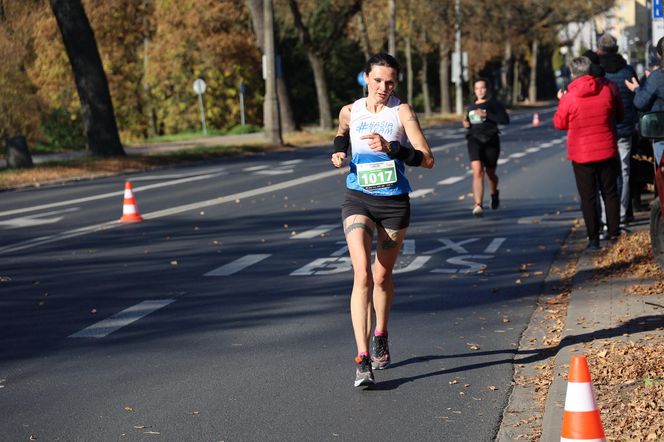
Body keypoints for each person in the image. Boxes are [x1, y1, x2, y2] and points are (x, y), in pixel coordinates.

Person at [330, 53, 434, 387]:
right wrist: (338, 150)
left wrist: (394, 149)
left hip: (393, 204)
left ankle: (381, 332)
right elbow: (342, 131)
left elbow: (427, 159)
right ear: (366, 78)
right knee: (361, 274)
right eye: (377, 80)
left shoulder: (401, 112)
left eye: (390, 82)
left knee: (381, 276)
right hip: (357, 198)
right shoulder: (351, 109)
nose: (383, 88)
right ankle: (362, 359)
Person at [554, 56, 622, 249]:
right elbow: (619, 114)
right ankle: (614, 233)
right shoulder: (607, 91)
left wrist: (561, 102)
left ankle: (593, 239)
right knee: (609, 192)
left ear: (573, 74)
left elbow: (560, 123)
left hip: (581, 154)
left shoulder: (569, 97)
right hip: (607, 148)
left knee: (588, 196)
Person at [597, 34, 639, 226]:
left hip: (604, 129)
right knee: (624, 171)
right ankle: (621, 214)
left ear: (600, 50)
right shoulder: (628, 70)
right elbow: (636, 99)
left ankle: (607, 217)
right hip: (625, 128)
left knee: (605, 175)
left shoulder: (598, 73)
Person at [462, 78, 510, 217]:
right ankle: (478, 204)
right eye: (477, 88)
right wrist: (466, 124)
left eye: (482, 88)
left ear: (487, 89)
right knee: (477, 172)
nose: (480, 91)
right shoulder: (471, 106)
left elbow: (505, 120)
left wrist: (487, 114)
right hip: (474, 140)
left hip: (491, 140)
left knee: (490, 173)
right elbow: (469, 121)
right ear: (474, 90)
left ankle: (494, 193)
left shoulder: (494, 104)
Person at [626, 36, 664, 191]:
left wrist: (636, 89)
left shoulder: (657, 77)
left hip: (661, 132)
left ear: (659, 55)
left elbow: (640, 102)